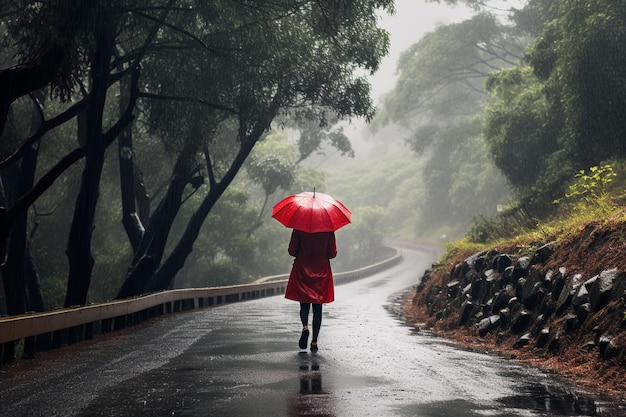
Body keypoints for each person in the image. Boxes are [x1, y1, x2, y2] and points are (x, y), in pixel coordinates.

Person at [284, 229, 337, 352]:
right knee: (317, 308)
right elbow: (332, 254)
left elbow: (292, 250)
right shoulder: (328, 230)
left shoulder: (299, 228)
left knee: (304, 304)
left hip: (303, 269)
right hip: (321, 271)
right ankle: (314, 341)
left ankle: (305, 327)